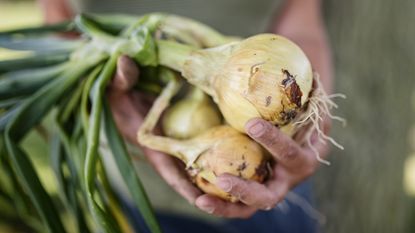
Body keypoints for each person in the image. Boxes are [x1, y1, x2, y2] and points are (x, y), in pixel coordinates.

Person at [38, 0, 333, 232]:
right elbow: (62, 22)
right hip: (140, 175)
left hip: (274, 154)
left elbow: (302, 27)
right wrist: (105, 97)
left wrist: (315, 125)